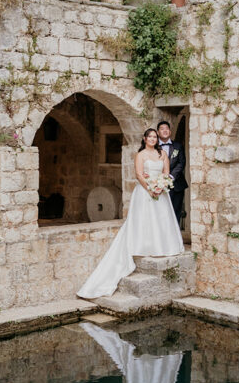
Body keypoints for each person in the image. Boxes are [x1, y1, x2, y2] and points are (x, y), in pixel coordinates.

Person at [77, 128, 184, 300]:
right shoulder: (140, 155)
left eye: (155, 137)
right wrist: (150, 188)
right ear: (145, 139)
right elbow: (139, 175)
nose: (153, 139)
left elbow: (166, 172)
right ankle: (145, 246)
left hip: (161, 192)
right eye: (150, 136)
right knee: (145, 220)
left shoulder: (162, 154)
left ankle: (162, 246)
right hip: (145, 191)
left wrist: (161, 185)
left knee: (162, 219)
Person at [156, 120, 188, 226]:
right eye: (162, 129)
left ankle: (175, 234)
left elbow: (181, 163)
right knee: (160, 212)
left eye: (167, 129)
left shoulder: (178, 146)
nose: (165, 130)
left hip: (176, 185)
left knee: (175, 212)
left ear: (170, 131)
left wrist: (170, 176)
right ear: (158, 132)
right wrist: (160, 179)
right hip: (158, 184)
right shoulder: (154, 147)